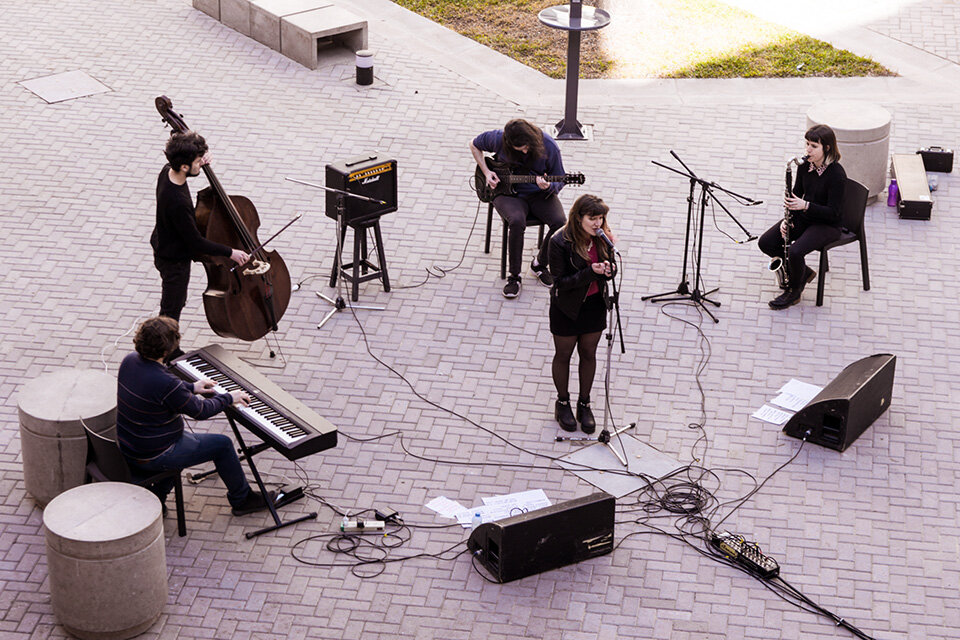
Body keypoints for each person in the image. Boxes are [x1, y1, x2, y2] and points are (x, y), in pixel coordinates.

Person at [116, 316, 270, 516]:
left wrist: (191, 387)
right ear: (166, 350)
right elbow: (201, 411)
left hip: (131, 444)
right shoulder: (166, 382)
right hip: (156, 452)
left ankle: (156, 499)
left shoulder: (130, 361)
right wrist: (229, 398)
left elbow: (157, 392)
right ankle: (243, 499)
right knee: (222, 445)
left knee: (188, 447)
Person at [152, 131, 248, 326]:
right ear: (184, 166)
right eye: (197, 162)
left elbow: (188, 167)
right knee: (172, 308)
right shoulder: (177, 202)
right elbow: (196, 241)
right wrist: (230, 252)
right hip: (174, 260)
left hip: (163, 244)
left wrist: (200, 161)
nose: (200, 164)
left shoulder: (168, 171)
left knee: (176, 301)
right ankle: (166, 350)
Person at [470, 119, 567, 298]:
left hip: (539, 194)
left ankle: (539, 264)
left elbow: (560, 178)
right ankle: (514, 277)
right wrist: (486, 171)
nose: (524, 151)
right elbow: (474, 144)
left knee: (560, 222)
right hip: (507, 194)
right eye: (519, 149)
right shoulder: (498, 138)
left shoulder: (549, 146)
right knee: (516, 221)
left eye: (526, 147)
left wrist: (549, 187)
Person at [548, 194, 616, 433]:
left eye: (600, 218)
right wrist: (591, 272)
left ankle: (584, 403)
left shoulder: (603, 239)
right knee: (564, 354)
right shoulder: (559, 242)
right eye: (592, 218)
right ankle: (563, 402)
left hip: (594, 305)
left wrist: (609, 271)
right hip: (566, 307)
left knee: (589, 353)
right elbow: (560, 283)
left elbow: (610, 270)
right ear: (578, 218)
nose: (597, 223)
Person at [758, 124, 846, 309]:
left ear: (827, 148)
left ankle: (794, 291)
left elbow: (834, 212)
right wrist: (787, 220)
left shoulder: (836, 174)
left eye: (814, 146)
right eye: (807, 144)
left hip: (828, 225)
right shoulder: (805, 166)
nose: (808, 150)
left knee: (795, 251)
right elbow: (795, 195)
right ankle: (803, 272)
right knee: (766, 242)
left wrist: (806, 205)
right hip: (807, 216)